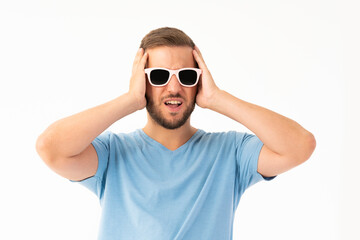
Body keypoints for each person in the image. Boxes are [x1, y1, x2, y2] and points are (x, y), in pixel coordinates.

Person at [36, 27, 316, 240]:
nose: (173, 88)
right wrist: (130, 100)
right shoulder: (112, 155)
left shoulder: (230, 152)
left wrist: (218, 98)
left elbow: (300, 146)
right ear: (142, 82)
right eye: (158, 76)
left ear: (199, 82)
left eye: (186, 76)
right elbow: (50, 148)